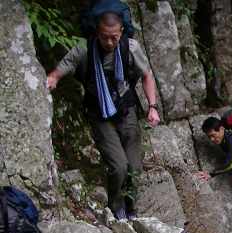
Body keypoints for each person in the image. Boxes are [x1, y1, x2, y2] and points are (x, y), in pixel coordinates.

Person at [46, 10, 160, 220]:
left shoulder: (131, 48)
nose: (109, 42)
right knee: (119, 166)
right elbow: (63, 68)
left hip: (126, 110)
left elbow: (147, 75)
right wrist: (53, 79)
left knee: (134, 167)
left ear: (121, 31)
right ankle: (116, 206)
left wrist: (152, 107)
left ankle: (131, 206)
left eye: (114, 37)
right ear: (97, 32)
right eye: (104, 37)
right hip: (99, 114)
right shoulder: (84, 49)